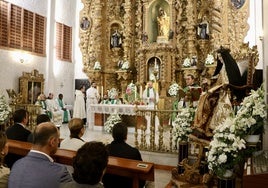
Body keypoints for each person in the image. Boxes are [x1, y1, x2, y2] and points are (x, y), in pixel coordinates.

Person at [8, 122, 72, 187]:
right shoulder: (59, 172)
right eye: (58, 139)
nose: (58, 142)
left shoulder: (17, 165)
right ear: (52, 142)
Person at [102, 122, 145, 188]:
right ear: (126, 136)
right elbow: (141, 174)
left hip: (108, 184)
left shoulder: (105, 149)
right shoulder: (133, 152)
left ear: (112, 135)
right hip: (128, 185)